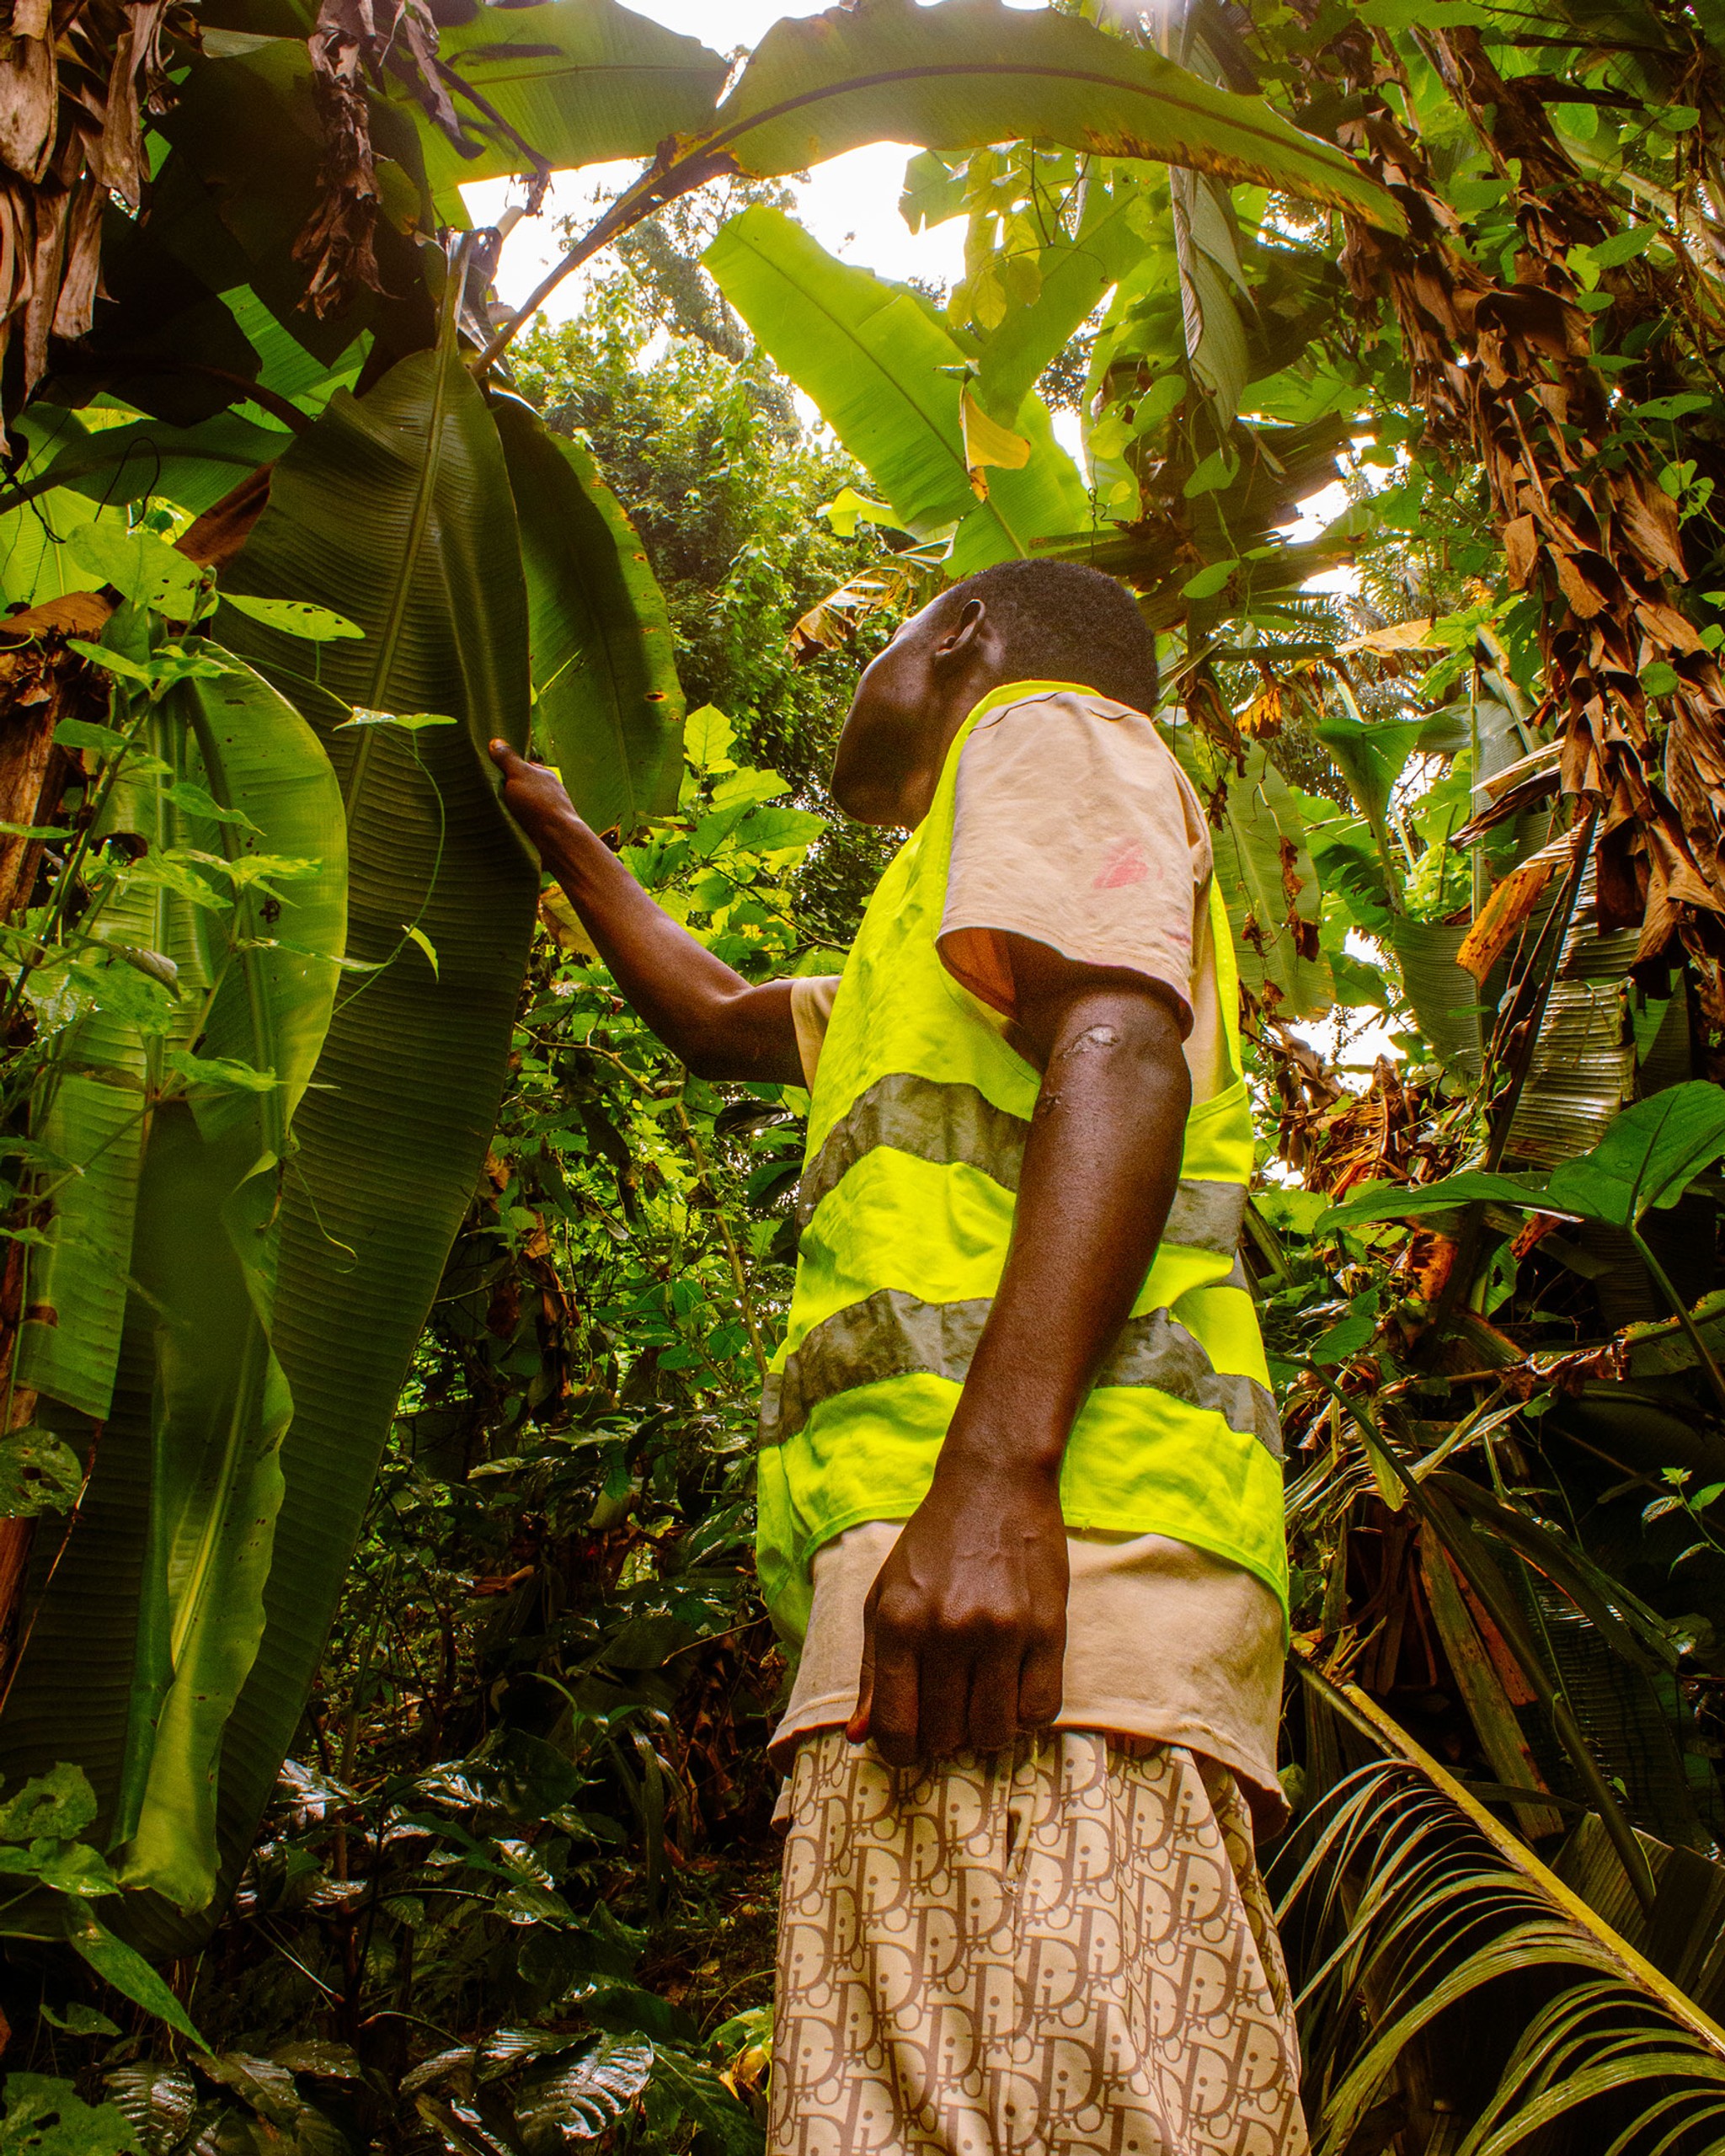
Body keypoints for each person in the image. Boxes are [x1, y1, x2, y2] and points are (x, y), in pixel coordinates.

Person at [489, 556, 1304, 2156]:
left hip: (1035, 1584)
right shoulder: (935, 926)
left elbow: (1120, 1050)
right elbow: (720, 1017)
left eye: (887, 639)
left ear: (965, 636)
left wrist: (994, 1480)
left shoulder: (1049, 729)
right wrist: (563, 833)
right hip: (982, 1599)